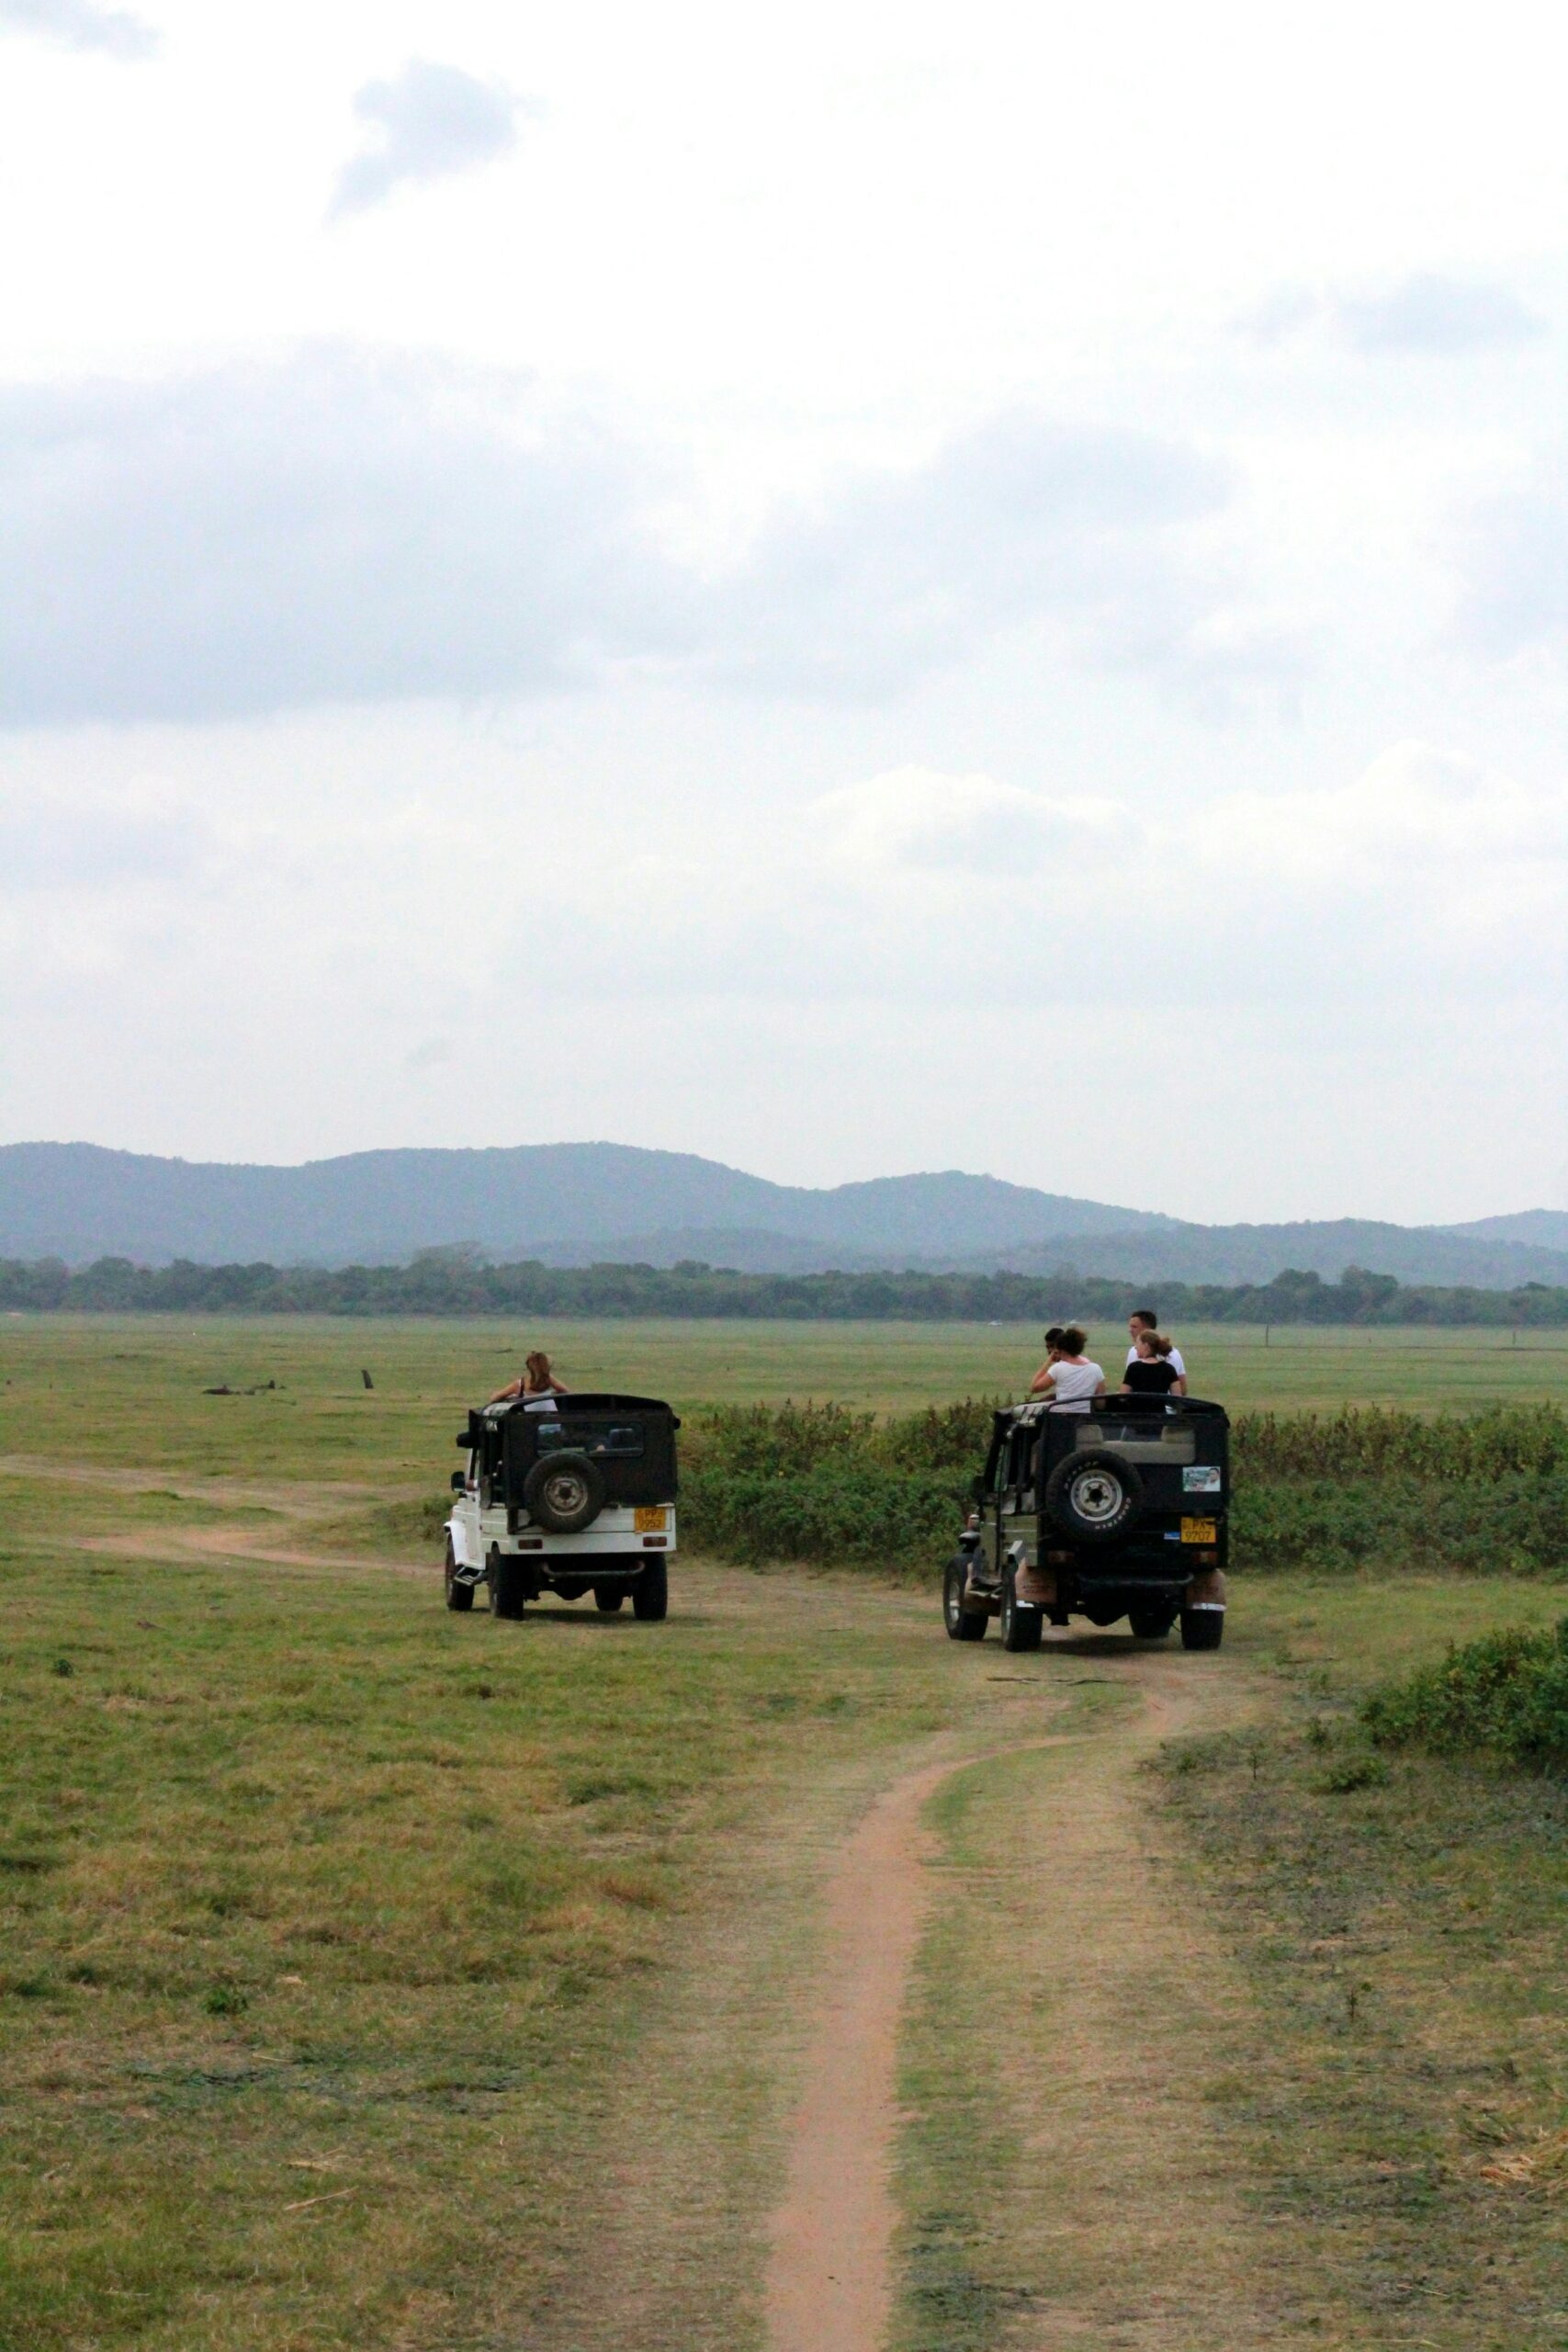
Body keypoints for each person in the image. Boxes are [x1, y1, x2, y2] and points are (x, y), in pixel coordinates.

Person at [1029, 1325, 1106, 1412]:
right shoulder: (1096, 1369)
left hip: (1061, 1420)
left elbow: (1034, 1388)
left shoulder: (1058, 1368)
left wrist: (1049, 1361)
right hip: (1084, 1420)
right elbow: (1100, 1404)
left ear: (1060, 1349)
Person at [1126, 1308, 1186, 1396]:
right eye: (1130, 1326)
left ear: (1147, 1329)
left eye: (1134, 1327)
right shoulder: (1132, 1352)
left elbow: (1182, 1387)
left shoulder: (1173, 1354)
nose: (1130, 1330)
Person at [488, 1350, 570, 1406]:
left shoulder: (520, 1384)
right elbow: (565, 1391)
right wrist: (551, 1394)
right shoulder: (549, 1379)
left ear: (528, 1366)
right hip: (552, 1425)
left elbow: (495, 1398)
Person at [1120, 1328, 1180, 1396]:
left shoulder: (1133, 1368)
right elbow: (1177, 1399)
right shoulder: (1169, 1369)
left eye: (1137, 1344)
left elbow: (1123, 1396)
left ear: (1146, 1346)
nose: (1135, 1347)